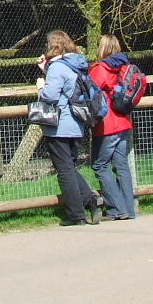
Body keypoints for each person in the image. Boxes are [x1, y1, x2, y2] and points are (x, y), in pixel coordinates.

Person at [36, 30, 104, 226]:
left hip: (59, 126)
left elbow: (51, 96)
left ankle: (76, 215)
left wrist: (41, 86)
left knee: (64, 170)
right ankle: (91, 199)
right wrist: (45, 69)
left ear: (53, 46)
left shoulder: (58, 67)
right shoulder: (75, 65)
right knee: (69, 167)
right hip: (76, 124)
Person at [88, 33, 137, 220]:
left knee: (100, 165)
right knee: (121, 165)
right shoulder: (124, 67)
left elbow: (89, 90)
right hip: (124, 122)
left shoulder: (100, 69)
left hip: (107, 125)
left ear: (102, 48)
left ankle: (117, 209)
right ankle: (129, 209)